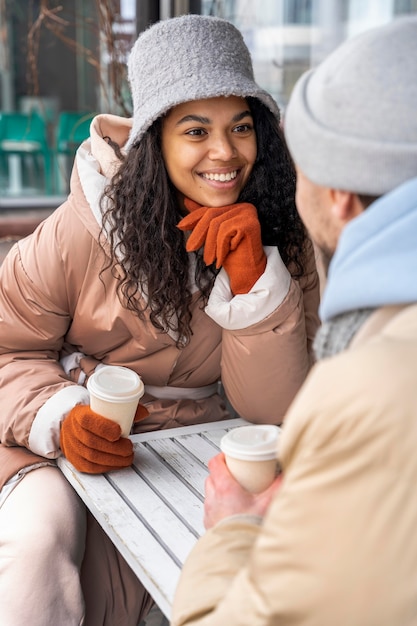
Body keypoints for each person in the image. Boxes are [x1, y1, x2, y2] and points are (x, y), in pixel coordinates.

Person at [0, 14, 320, 626]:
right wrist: (62, 417)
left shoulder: (282, 232)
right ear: (153, 140)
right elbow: (7, 348)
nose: (225, 153)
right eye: (195, 130)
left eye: (241, 127)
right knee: (36, 542)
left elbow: (271, 410)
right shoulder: (80, 228)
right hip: (69, 433)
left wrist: (254, 280)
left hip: (207, 439)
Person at [171, 15, 417, 626]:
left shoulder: (371, 391)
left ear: (339, 196)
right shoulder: (78, 228)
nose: (227, 154)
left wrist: (232, 530)